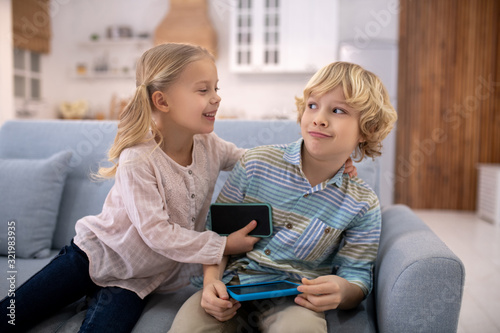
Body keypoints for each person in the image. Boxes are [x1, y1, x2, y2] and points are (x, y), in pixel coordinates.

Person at [0, 43, 261, 333]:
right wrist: (222, 245)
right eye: (203, 90)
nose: (217, 98)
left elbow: (250, 160)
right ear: (162, 101)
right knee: (11, 315)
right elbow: (157, 233)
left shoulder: (210, 146)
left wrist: (298, 154)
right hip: (92, 257)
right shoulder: (138, 157)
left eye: (216, 88)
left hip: (136, 279)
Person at [169, 61, 398, 333]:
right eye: (313, 105)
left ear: (367, 129)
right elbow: (217, 235)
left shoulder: (363, 204)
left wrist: (343, 290)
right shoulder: (255, 164)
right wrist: (211, 285)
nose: (319, 118)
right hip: (232, 287)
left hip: (297, 300)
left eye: (338, 110)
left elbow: (357, 276)